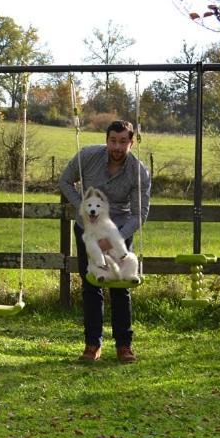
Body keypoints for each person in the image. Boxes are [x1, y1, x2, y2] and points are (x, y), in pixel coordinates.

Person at [59, 120, 151, 363]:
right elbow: (65, 180)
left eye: (123, 142)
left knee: (120, 286)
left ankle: (124, 346)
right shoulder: (88, 156)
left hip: (120, 229)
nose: (117, 147)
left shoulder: (138, 171)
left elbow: (139, 213)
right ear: (106, 140)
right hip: (87, 228)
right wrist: (82, 205)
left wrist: (114, 240)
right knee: (91, 286)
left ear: (131, 143)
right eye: (113, 141)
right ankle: (92, 346)